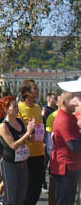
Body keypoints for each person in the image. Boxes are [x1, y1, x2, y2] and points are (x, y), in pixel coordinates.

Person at [50, 77, 81, 205]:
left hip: (70, 165)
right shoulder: (64, 120)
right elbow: (74, 145)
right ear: (63, 102)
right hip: (65, 167)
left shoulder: (69, 117)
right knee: (65, 200)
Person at [0, 96, 35, 205]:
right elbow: (13, 145)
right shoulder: (3, 126)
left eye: (17, 106)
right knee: (11, 197)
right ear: (6, 109)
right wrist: (27, 133)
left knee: (21, 196)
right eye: (14, 107)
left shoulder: (20, 121)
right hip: (10, 163)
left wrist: (32, 131)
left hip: (22, 162)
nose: (17, 109)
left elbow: (30, 139)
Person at [18, 79, 46, 205]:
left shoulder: (37, 107)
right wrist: (28, 136)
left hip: (39, 152)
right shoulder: (19, 108)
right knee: (26, 190)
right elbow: (16, 130)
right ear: (27, 92)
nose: (38, 90)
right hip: (26, 155)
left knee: (37, 188)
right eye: (35, 88)